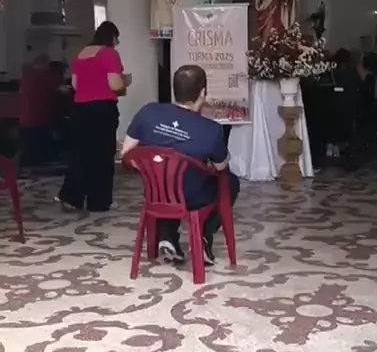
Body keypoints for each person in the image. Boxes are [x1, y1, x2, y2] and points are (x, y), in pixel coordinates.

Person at [121, 64, 240, 267]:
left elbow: (127, 154)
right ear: (202, 93)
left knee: (169, 183)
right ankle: (204, 236)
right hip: (192, 197)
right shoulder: (211, 130)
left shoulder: (148, 112)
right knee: (230, 182)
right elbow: (221, 168)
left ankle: (167, 236)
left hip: (155, 193)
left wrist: (153, 171)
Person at [58, 21, 131, 212]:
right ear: (112, 37)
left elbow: (75, 85)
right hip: (101, 110)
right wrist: (125, 83)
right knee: (102, 155)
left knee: (80, 154)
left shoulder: (80, 54)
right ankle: (99, 201)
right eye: (117, 39)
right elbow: (115, 84)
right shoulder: (109, 54)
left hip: (79, 109)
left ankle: (71, 197)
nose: (117, 43)